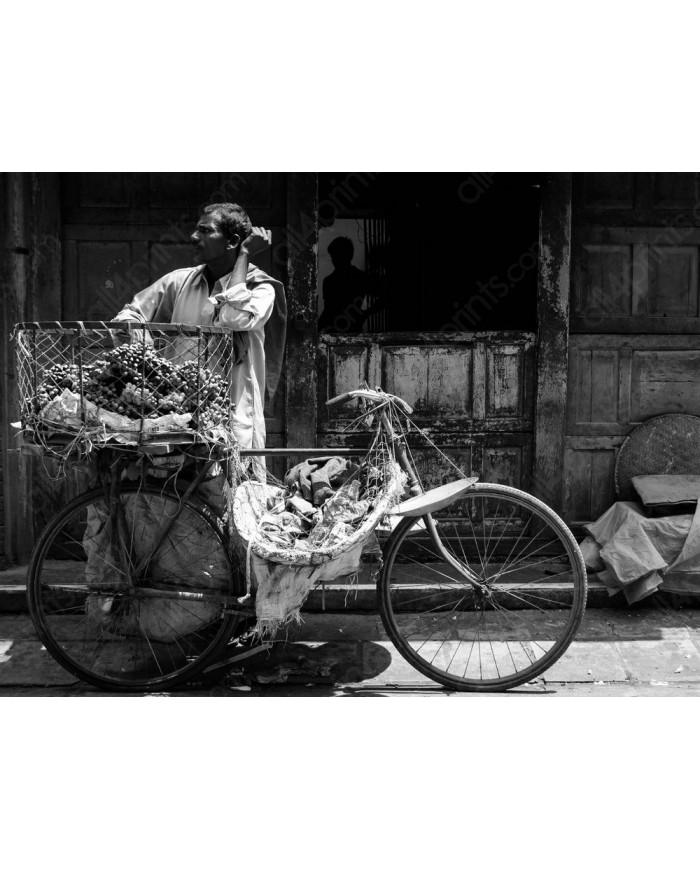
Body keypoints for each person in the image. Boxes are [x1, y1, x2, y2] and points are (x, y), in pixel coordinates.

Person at [114, 203, 286, 451]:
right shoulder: (179, 282)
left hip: (233, 417)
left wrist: (244, 255)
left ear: (232, 241)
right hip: (175, 415)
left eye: (205, 231)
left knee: (231, 474)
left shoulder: (260, 289)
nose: (194, 237)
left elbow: (233, 318)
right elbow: (129, 314)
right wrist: (140, 339)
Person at [318, 236, 369, 333]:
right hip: (348, 330)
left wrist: (317, 329)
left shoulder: (329, 281)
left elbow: (327, 311)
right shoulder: (361, 277)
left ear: (349, 255)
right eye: (333, 256)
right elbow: (328, 311)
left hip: (338, 331)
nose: (335, 260)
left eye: (337, 255)